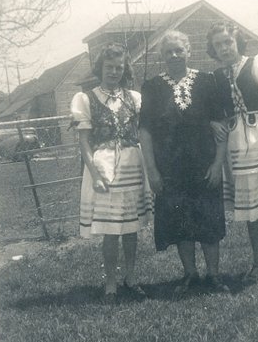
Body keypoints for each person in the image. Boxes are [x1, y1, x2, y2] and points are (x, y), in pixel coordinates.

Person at [139, 30, 229, 295]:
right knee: (181, 223)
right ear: (162, 56)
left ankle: (213, 275)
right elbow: (145, 131)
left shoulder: (206, 81)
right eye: (169, 52)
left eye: (179, 50)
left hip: (204, 165)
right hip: (170, 168)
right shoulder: (152, 87)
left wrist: (217, 164)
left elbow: (222, 127)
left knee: (209, 221)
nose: (174, 55)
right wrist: (152, 171)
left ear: (188, 51)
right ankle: (190, 274)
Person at [206, 21, 258, 287]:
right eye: (218, 44)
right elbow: (214, 111)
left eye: (228, 42)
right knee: (251, 206)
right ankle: (257, 261)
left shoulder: (257, 63)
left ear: (237, 42)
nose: (224, 48)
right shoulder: (217, 76)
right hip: (238, 145)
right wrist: (213, 122)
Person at [71, 43, 153, 304]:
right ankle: (110, 282)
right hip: (104, 168)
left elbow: (143, 133)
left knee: (130, 227)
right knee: (110, 229)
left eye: (119, 67)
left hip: (132, 165)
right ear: (100, 68)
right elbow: (84, 142)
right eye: (109, 67)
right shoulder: (86, 98)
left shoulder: (134, 97)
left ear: (124, 69)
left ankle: (130, 277)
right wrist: (94, 174)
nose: (114, 72)